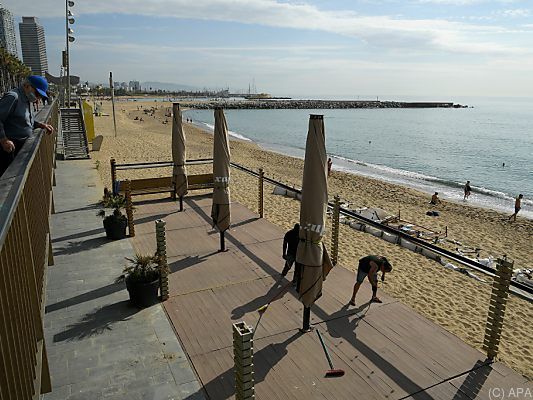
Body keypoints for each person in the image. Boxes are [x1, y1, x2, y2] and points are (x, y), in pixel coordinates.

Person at [0, 76, 54, 177]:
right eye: (37, 94)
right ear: (27, 86)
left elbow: (25, 120)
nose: (38, 98)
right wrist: (4, 140)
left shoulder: (26, 98)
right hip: (9, 149)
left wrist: (40, 125)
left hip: (21, 147)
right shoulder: (13, 97)